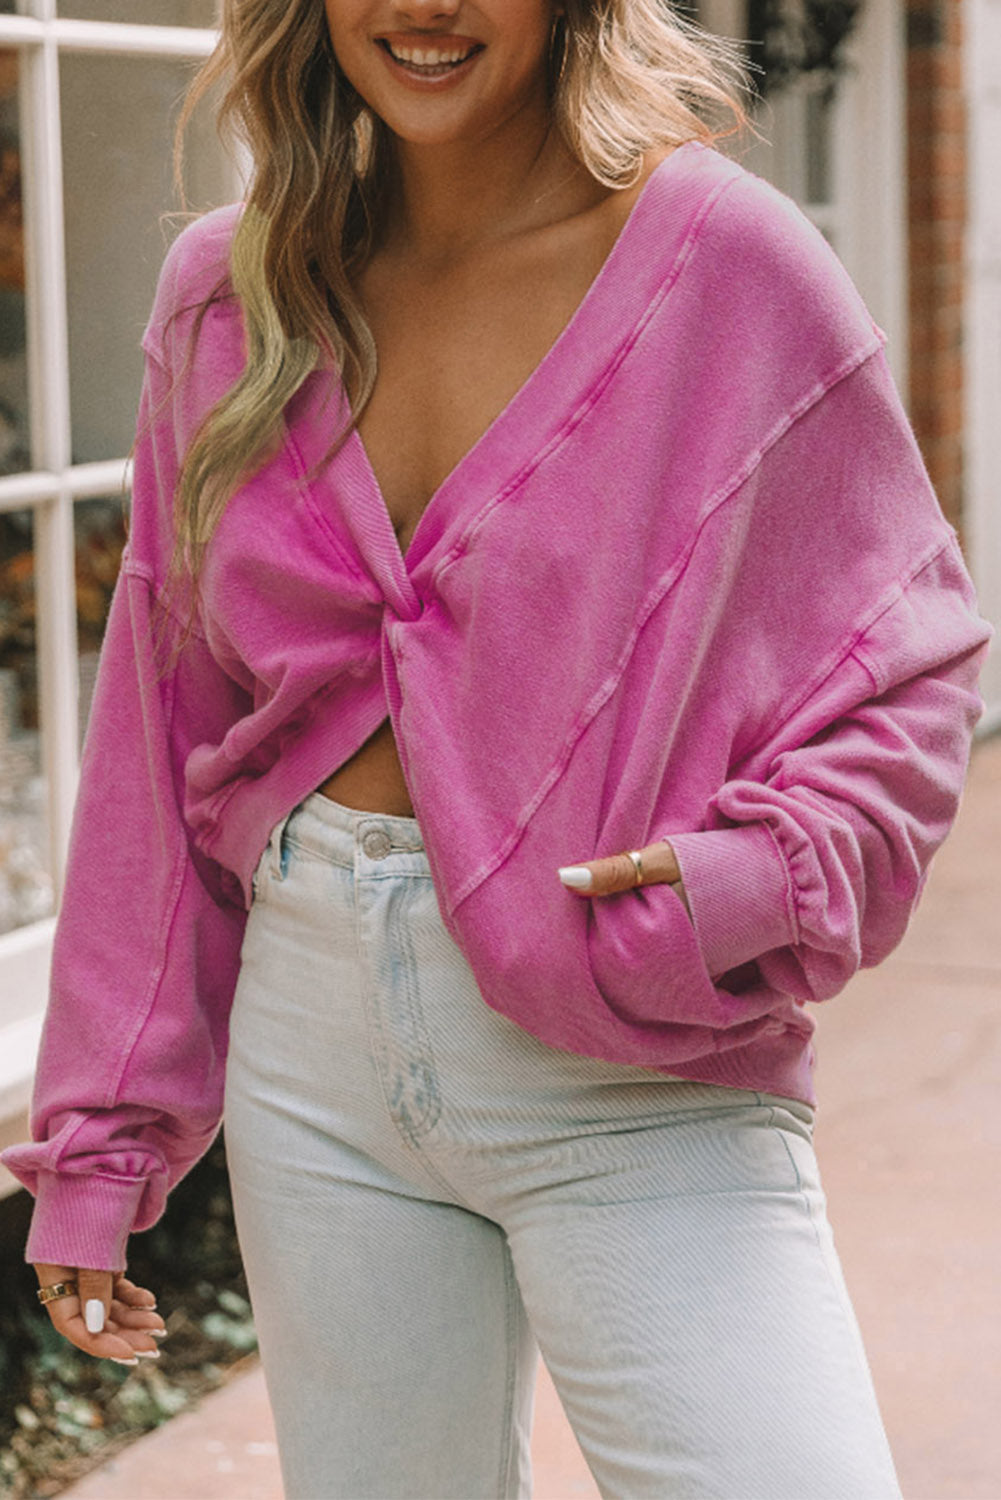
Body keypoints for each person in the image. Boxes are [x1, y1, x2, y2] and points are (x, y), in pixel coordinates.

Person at [3, 1, 992, 1496]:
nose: (424, 6)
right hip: (311, 1060)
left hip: (632, 1063)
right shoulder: (230, 291)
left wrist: (746, 887)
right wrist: (101, 1141)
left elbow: (912, 664)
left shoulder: (723, 264)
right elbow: (162, 722)